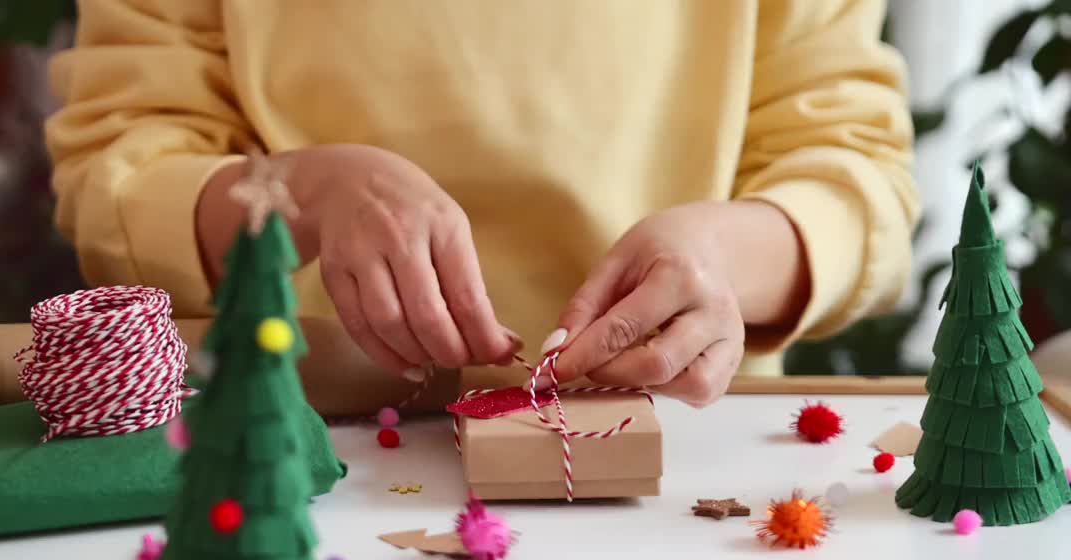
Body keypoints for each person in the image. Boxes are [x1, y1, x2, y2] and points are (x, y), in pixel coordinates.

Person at [45, 0, 919, 407]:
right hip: (297, 433)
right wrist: (301, 194)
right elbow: (121, 167)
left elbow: (855, 171)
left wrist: (724, 256)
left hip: (685, 443)